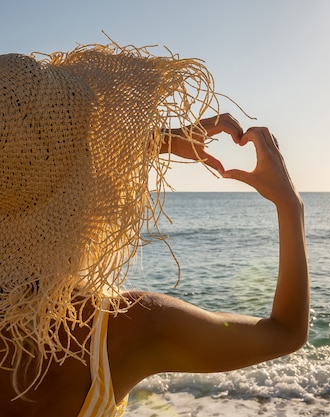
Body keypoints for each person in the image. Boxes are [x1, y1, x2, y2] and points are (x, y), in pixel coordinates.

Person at [0, 43, 309, 416]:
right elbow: (285, 332)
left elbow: (21, 172)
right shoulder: (126, 329)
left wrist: (158, 140)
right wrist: (290, 206)